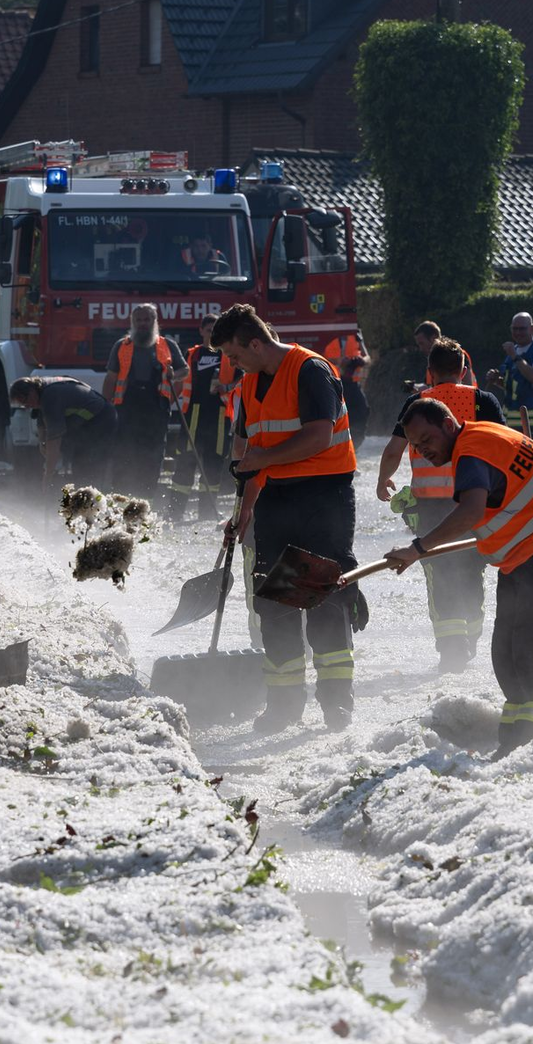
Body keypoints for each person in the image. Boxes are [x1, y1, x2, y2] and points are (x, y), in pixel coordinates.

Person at [384, 399, 533, 757]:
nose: (422, 450)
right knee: (506, 648)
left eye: (426, 439)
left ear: (449, 424)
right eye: (415, 447)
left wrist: (418, 548)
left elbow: (471, 511)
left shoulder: (471, 452)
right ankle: (515, 734)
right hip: (526, 549)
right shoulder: (475, 441)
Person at [214, 304, 360, 732]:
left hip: (323, 499)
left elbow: (318, 436)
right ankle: (284, 704)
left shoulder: (311, 370)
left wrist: (259, 460)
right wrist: (244, 511)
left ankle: (336, 704)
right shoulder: (249, 385)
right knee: (273, 603)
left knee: (322, 601)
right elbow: (252, 457)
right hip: (276, 501)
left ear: (255, 343)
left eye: (235, 355)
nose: (233, 364)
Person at [376, 338, 505, 671]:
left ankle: (451, 649)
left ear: (429, 372)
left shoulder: (418, 402)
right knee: (472, 570)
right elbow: (502, 447)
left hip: (429, 506)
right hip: (475, 501)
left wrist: (382, 480)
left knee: (437, 573)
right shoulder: (482, 399)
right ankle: (471, 636)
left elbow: (392, 449)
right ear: (464, 369)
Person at [101, 304, 186, 500]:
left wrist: (175, 374)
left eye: (147, 319)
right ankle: (121, 502)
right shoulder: (121, 346)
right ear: (132, 322)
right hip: (126, 410)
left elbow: (185, 371)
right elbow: (111, 378)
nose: (142, 324)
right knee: (123, 455)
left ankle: (145, 501)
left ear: (154, 321)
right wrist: (105, 408)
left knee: (152, 458)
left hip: (156, 410)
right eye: (138, 320)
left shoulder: (168, 345)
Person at [168, 313, 238, 521]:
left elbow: (243, 380)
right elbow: (181, 379)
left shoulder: (230, 354)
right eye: (209, 330)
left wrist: (226, 387)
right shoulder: (193, 354)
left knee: (213, 464)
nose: (212, 334)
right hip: (193, 415)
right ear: (201, 331)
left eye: (216, 330)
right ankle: (175, 512)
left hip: (219, 416)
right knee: (186, 462)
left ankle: (207, 513)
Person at [8, 375, 115, 488]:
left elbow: (54, 438)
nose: (27, 406)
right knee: (76, 458)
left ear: (31, 391)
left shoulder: (50, 396)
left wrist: (48, 475)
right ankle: (83, 492)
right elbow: (41, 420)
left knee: (85, 463)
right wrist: (41, 442)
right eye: (23, 405)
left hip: (102, 418)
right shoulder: (42, 391)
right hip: (88, 422)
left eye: (25, 401)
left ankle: (94, 495)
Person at [485, 312, 533, 445]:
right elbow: (513, 386)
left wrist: (515, 356)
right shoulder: (514, 351)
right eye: (514, 329)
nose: (518, 333)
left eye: (522, 329)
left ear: (532, 328)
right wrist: (496, 380)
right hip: (511, 421)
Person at [414, 320, 476, 387]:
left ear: (433, 338)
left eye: (422, 343)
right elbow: (428, 387)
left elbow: (468, 385)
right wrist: (413, 387)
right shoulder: (432, 360)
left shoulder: (456, 355)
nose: (421, 348)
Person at [339, 357, 370, 451]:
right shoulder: (332, 345)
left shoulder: (357, 344)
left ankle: (353, 446)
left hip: (353, 385)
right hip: (340, 383)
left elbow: (367, 359)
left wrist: (361, 360)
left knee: (362, 409)